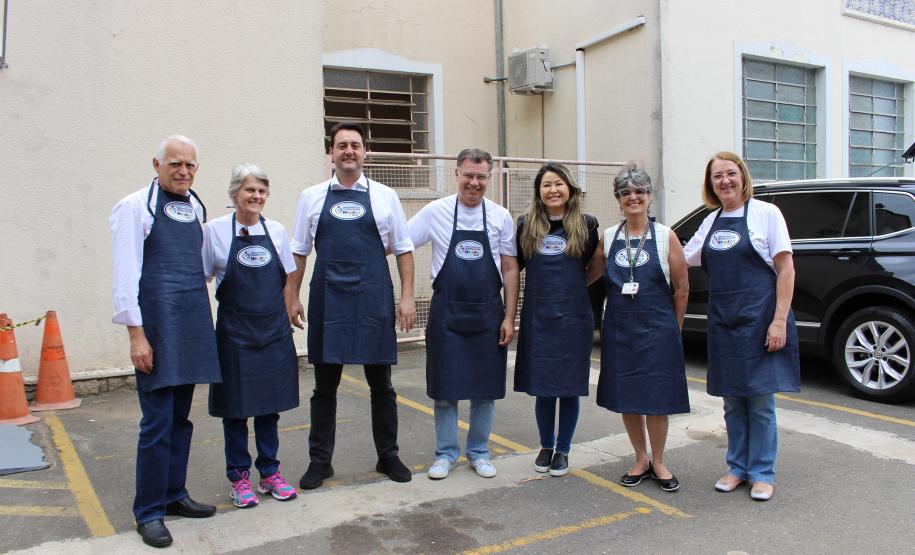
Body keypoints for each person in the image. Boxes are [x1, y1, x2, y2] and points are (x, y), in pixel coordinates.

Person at [285, 122, 416, 490]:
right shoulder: (311, 196)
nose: (349, 151)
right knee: (324, 388)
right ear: (331, 152)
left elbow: (404, 249)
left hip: (373, 299)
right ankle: (320, 462)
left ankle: (388, 455)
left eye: (355, 145)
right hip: (330, 300)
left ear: (364, 152)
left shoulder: (386, 196)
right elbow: (299, 251)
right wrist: (291, 296)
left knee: (382, 386)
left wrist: (407, 297)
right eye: (341, 145)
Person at [109, 135, 222, 548]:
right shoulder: (134, 207)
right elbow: (126, 277)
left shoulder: (196, 207)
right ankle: (149, 512)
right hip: (156, 328)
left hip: (190, 324)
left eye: (190, 165)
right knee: (157, 422)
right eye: (175, 164)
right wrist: (136, 335)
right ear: (156, 165)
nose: (183, 171)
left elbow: (202, 268)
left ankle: (175, 494)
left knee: (181, 420)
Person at [683, 151, 800, 501]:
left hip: (761, 319)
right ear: (710, 184)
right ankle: (737, 468)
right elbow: (683, 258)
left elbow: (786, 270)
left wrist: (778, 321)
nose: (725, 181)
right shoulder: (711, 221)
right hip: (724, 322)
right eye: (717, 176)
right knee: (732, 401)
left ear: (743, 176)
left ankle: (762, 473)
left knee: (760, 401)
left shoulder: (766, 214)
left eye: (730, 173)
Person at [408, 148, 520, 480]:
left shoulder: (501, 216)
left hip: (488, 314)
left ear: (489, 178)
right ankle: (445, 454)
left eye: (481, 177)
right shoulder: (435, 211)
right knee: (445, 391)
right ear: (457, 174)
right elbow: (400, 243)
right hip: (447, 314)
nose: (474, 182)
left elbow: (510, 269)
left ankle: (479, 452)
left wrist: (509, 317)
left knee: (485, 391)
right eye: (468, 175)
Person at [203, 164, 299, 509]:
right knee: (235, 409)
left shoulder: (276, 231)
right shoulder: (214, 232)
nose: (256, 196)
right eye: (249, 190)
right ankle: (239, 478)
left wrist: (291, 309)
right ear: (234, 194)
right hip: (235, 335)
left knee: (269, 408)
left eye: (261, 191)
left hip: (272, 332)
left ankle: (270, 473)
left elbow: (287, 278)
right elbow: (202, 278)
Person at [596, 164, 690, 493]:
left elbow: (682, 288)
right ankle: (640, 458)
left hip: (658, 332)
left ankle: (659, 461)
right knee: (629, 398)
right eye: (625, 193)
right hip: (620, 331)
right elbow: (589, 275)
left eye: (639, 192)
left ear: (649, 196)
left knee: (657, 399)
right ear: (618, 199)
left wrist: (674, 329)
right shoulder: (609, 237)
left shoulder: (666, 236)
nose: (632, 197)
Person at [513, 163, 603, 477]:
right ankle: (545, 446)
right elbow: (514, 266)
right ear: (539, 192)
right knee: (544, 387)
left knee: (568, 387)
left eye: (559, 184)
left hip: (573, 318)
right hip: (538, 317)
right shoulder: (525, 225)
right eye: (547, 185)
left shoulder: (587, 225)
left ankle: (563, 449)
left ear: (570, 188)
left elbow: (595, 266)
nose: (553, 190)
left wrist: (573, 288)